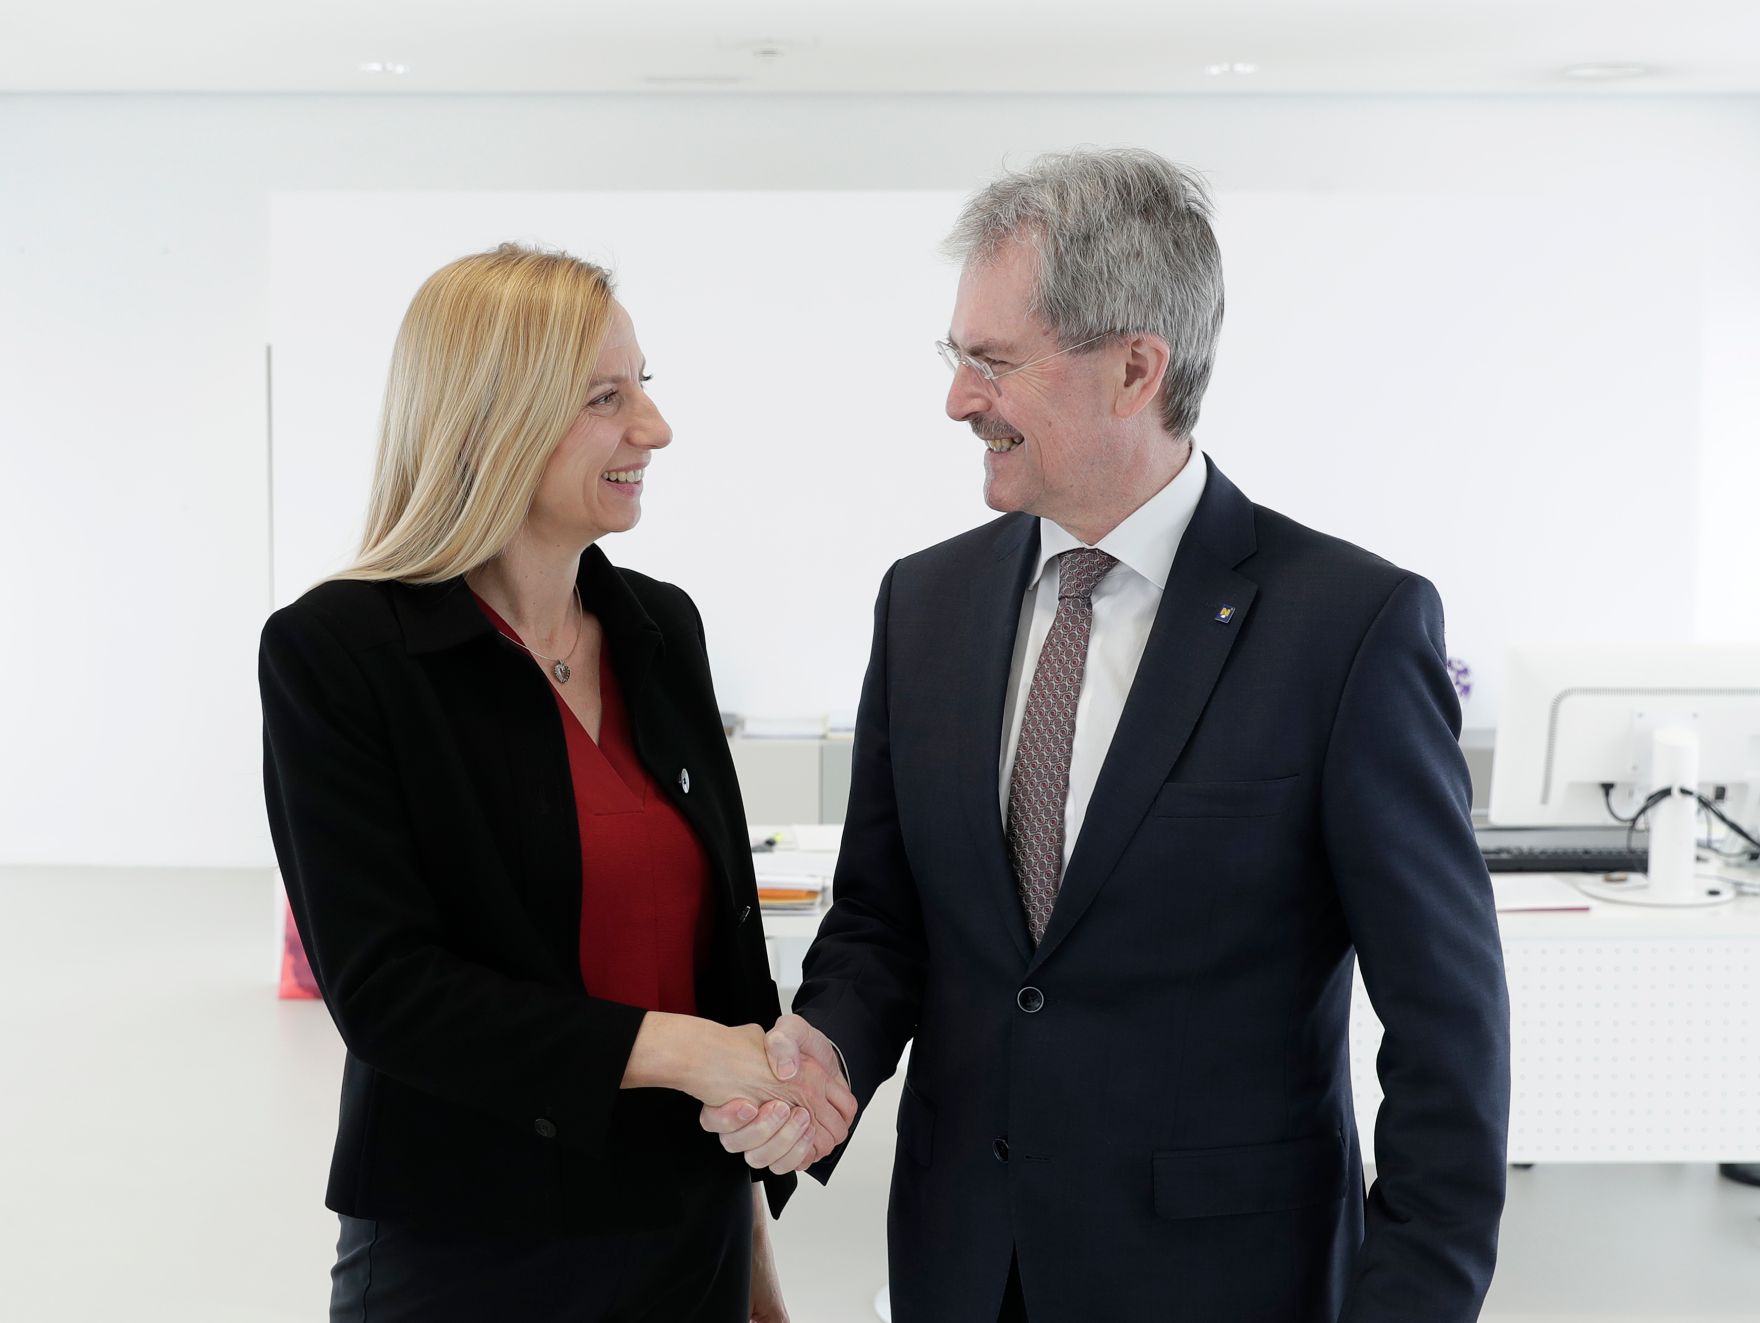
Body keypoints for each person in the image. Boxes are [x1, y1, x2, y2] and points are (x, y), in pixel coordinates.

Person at [703, 150, 1511, 1321]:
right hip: (963, 1264)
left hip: (1223, 1279)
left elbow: (1448, 1026)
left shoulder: (1348, 626)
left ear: (1135, 366)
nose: (956, 399)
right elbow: (884, 918)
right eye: (955, 358)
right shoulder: (922, 604)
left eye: (992, 363)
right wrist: (830, 1052)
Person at [259, 243, 854, 1322]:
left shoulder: (659, 628)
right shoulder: (337, 651)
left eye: (644, 388)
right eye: (603, 398)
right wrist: (686, 1053)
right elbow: (388, 995)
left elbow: (717, 973)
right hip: (467, 1251)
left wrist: (754, 1261)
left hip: (687, 1236)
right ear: (489, 422)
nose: (652, 430)